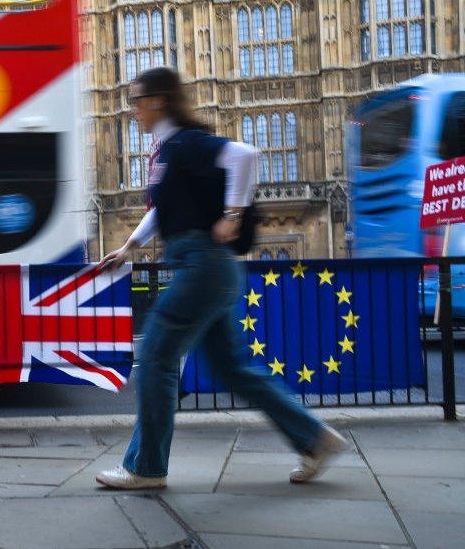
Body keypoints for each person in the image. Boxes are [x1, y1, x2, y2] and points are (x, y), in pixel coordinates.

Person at [95, 67, 347, 490]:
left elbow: (245, 155)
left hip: (203, 265)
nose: (132, 108)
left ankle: (146, 467)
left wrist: (231, 216)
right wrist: (129, 247)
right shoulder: (170, 151)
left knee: (156, 358)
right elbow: (165, 210)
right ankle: (314, 438)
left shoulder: (188, 143)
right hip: (213, 267)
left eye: (136, 98)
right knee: (233, 369)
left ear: (158, 99)